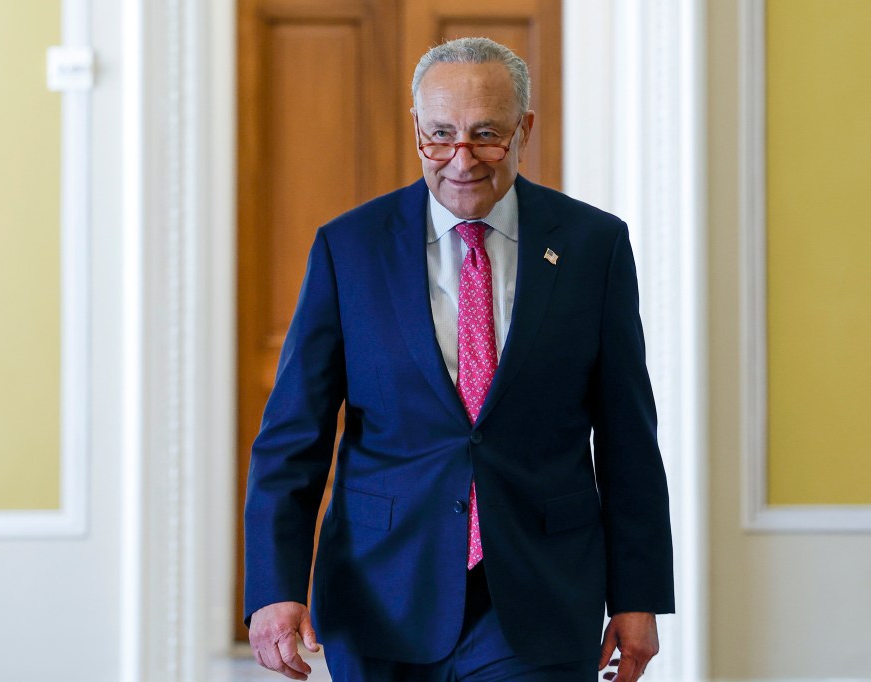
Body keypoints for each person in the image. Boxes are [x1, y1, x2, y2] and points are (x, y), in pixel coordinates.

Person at [243, 37, 674, 681]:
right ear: (417, 128)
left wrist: (637, 596)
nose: (461, 160)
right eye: (440, 136)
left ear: (524, 128)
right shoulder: (349, 248)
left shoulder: (593, 247)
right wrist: (274, 588)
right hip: (382, 589)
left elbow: (627, 437)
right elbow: (292, 437)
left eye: (487, 135)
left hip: (538, 591)